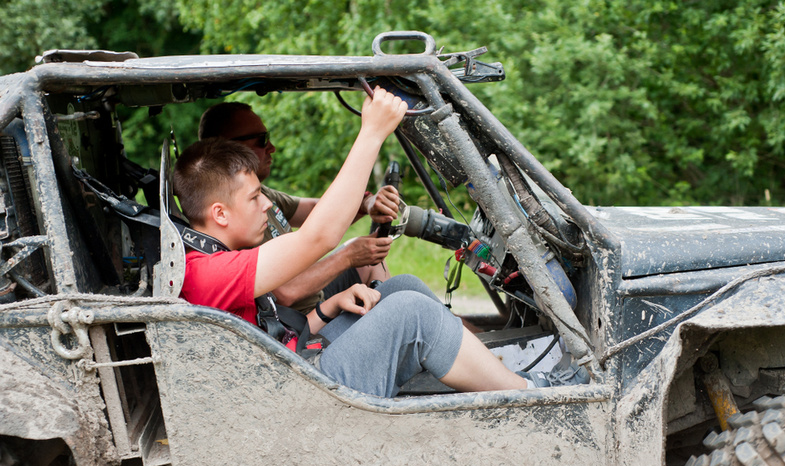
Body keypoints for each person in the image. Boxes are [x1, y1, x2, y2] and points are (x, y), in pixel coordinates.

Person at [174, 88, 586, 397]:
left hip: (292, 361)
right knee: (410, 313)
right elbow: (320, 234)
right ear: (220, 213)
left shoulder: (216, 255)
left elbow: (273, 326)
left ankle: (487, 369)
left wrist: (326, 307)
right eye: (254, 198)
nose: (267, 204)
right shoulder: (208, 272)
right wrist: (371, 133)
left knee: (399, 289)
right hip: (295, 394)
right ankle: (529, 394)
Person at [198, 101, 397, 314]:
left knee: (372, 263)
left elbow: (315, 210)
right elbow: (287, 292)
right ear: (228, 148)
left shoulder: (262, 197)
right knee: (411, 306)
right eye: (262, 140)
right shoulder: (237, 219)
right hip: (299, 324)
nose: (271, 147)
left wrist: (367, 203)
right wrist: (348, 256)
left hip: (314, 300)